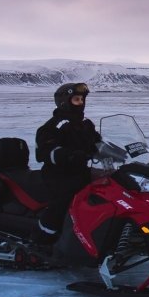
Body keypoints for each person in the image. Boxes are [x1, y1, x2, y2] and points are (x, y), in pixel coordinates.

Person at [33, 82, 101, 244]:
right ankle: (42, 239)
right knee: (65, 201)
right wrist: (68, 156)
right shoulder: (54, 126)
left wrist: (116, 151)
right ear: (65, 102)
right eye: (76, 100)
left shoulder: (86, 124)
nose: (81, 103)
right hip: (59, 175)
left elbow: (98, 141)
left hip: (81, 172)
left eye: (82, 100)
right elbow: (43, 152)